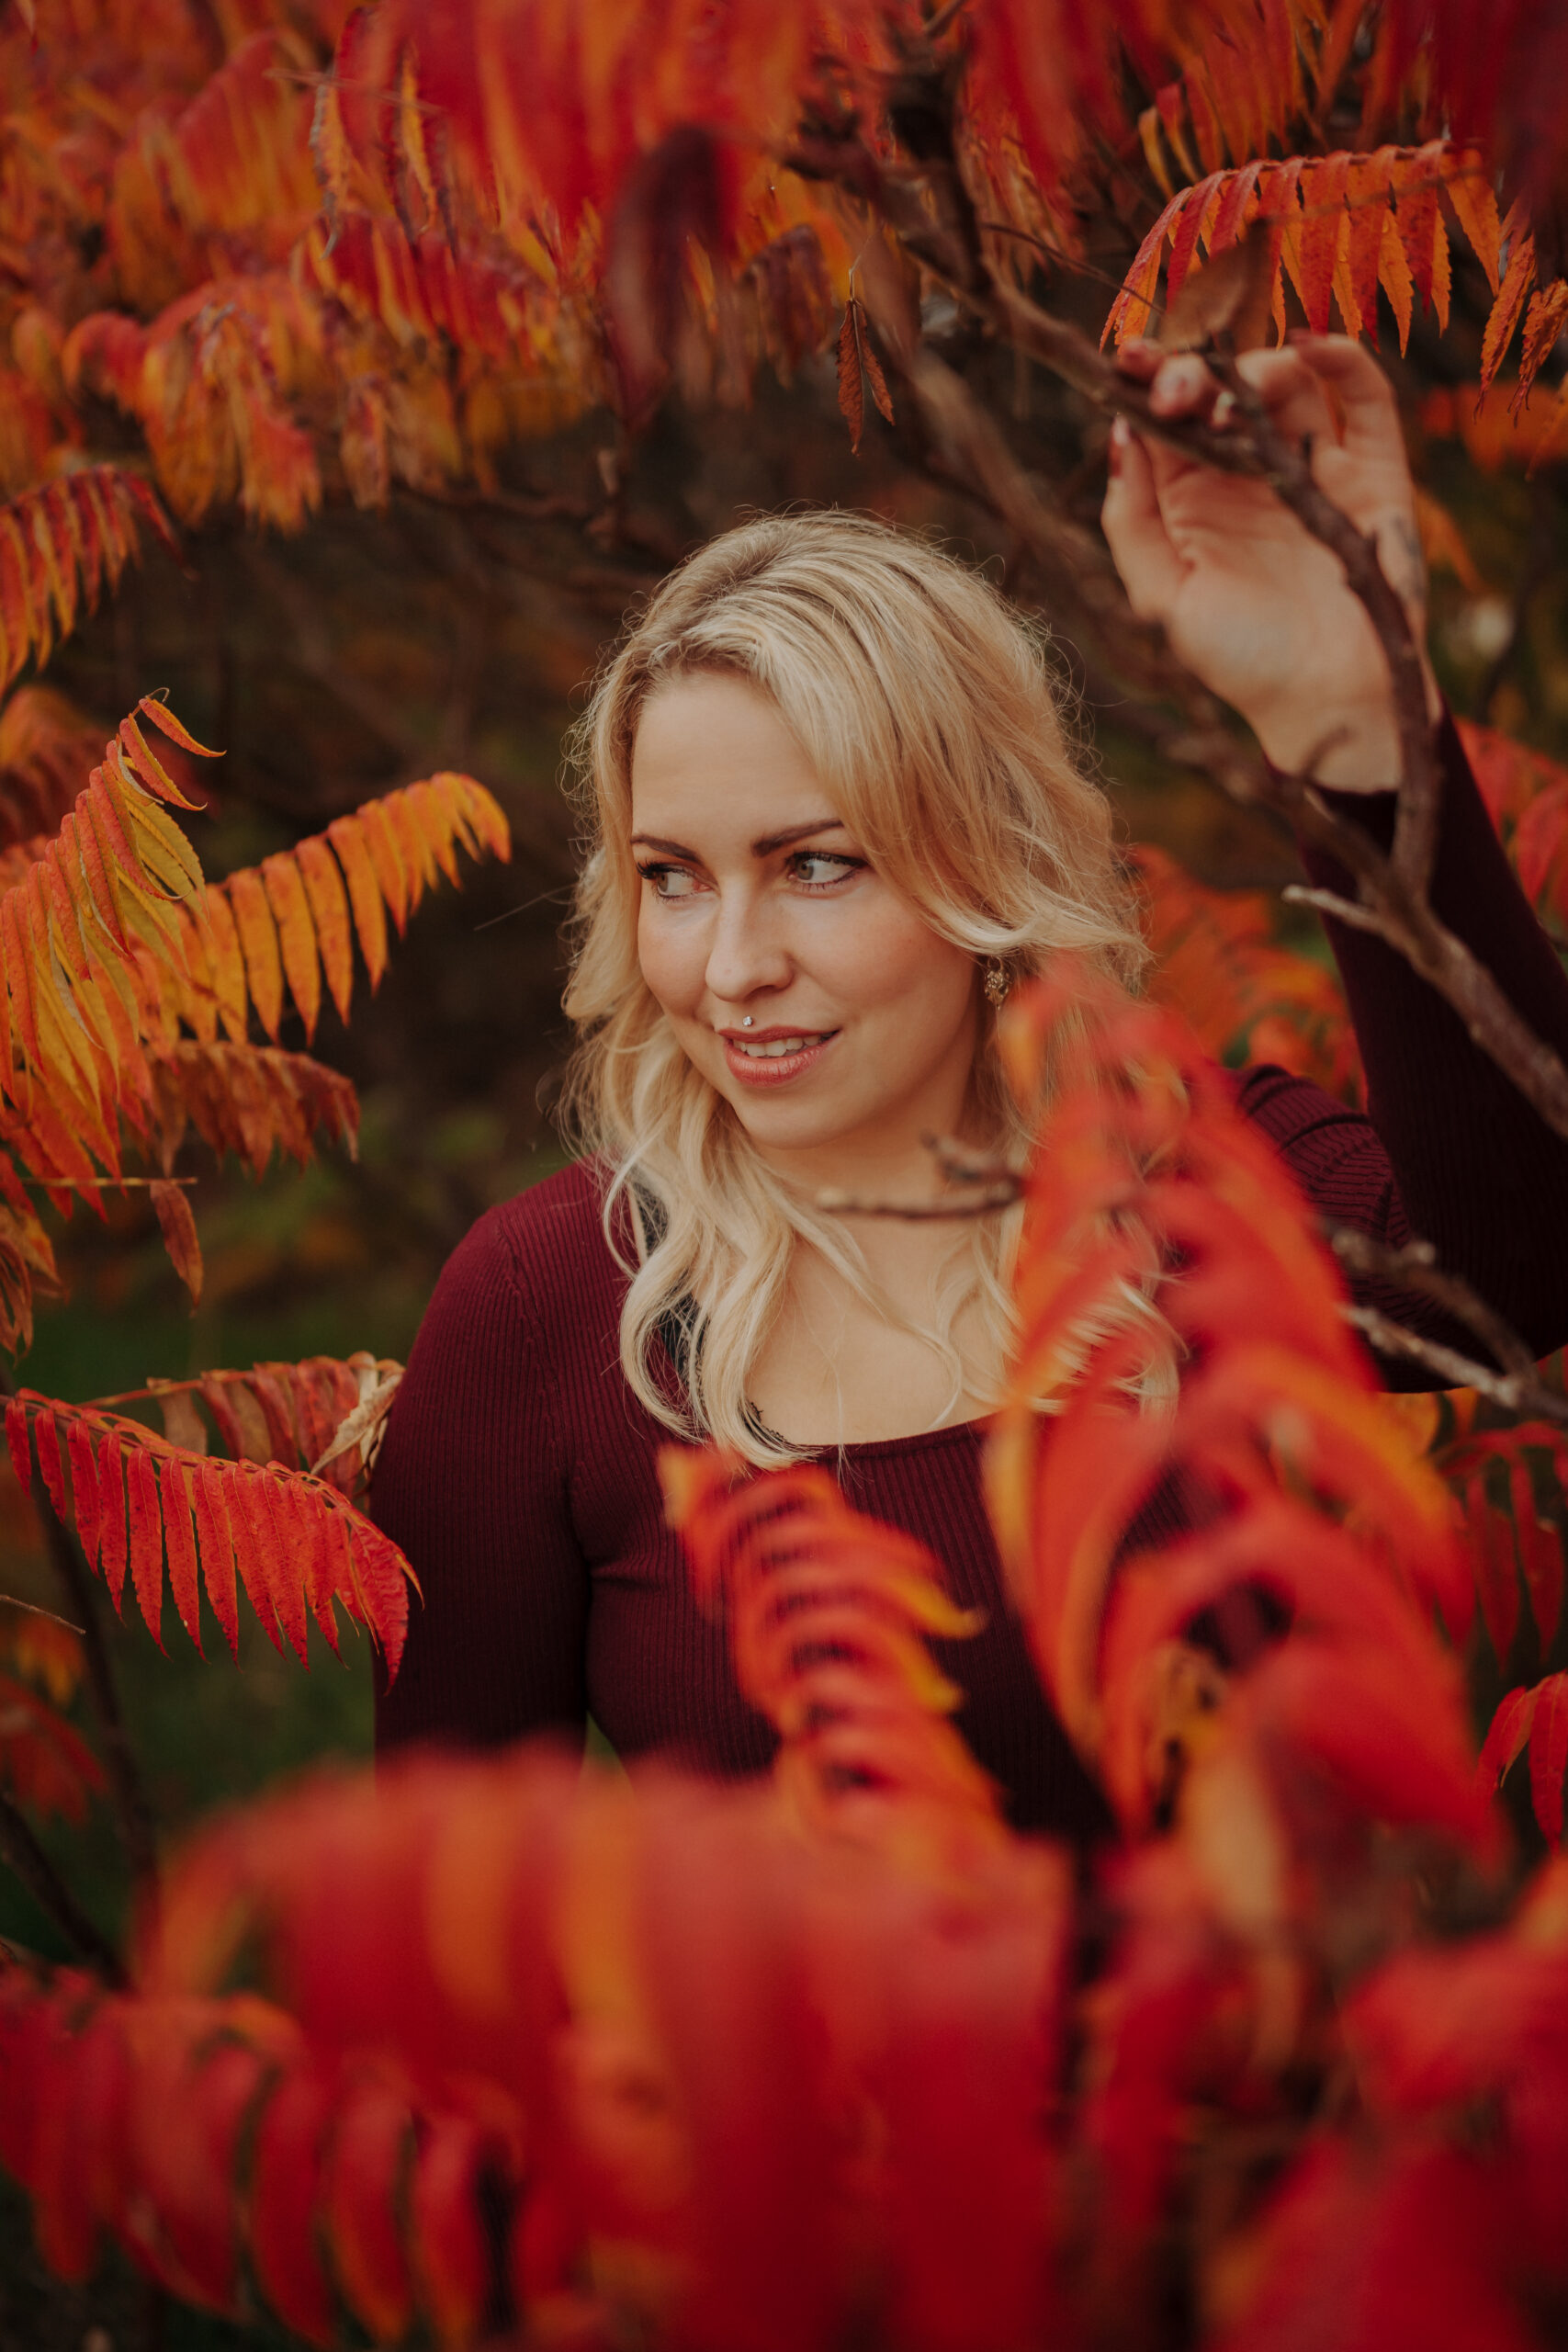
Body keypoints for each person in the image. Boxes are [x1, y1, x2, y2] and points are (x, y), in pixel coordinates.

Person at [371, 338, 1568, 1836]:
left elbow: (1515, 1277)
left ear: (981, 871)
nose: (731, 964)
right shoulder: (547, 1307)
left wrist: (1357, 729)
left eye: (817, 866)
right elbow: (461, 1916)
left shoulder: (1191, 1183)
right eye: (673, 878)